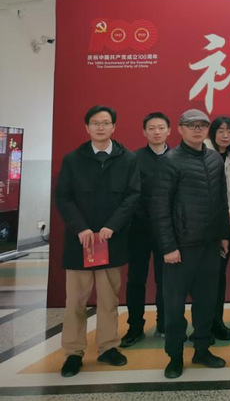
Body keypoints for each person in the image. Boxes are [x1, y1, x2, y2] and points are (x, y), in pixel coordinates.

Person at [55, 105, 141, 377]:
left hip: (111, 240)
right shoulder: (73, 159)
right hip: (80, 241)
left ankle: (108, 347)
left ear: (114, 126)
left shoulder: (127, 159)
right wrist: (80, 228)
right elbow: (63, 196)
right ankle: (73, 352)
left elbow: (132, 196)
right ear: (87, 127)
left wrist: (112, 226)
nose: (100, 127)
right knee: (75, 302)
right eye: (95, 123)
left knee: (108, 299)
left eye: (105, 123)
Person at [151, 109, 229, 379]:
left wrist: (223, 235)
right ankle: (174, 356)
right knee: (174, 307)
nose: (197, 130)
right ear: (180, 129)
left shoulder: (214, 159)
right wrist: (168, 247)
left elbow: (221, 201)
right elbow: (159, 208)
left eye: (202, 125)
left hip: (209, 245)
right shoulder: (169, 161)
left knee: (206, 302)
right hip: (180, 249)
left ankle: (202, 349)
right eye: (191, 125)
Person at [121, 112, 170, 348]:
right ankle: (135, 327)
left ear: (169, 130)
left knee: (166, 279)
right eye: (151, 128)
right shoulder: (133, 159)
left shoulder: (177, 158)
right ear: (144, 132)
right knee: (136, 280)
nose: (157, 132)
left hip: (167, 231)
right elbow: (128, 194)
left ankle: (164, 324)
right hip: (139, 229)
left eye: (161, 128)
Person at [206, 116, 230, 341]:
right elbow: (206, 194)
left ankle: (216, 320)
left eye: (229, 131)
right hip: (208, 225)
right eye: (220, 131)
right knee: (208, 276)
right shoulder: (204, 154)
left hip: (229, 225)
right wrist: (225, 215)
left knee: (219, 274)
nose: (225, 135)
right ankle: (207, 323)